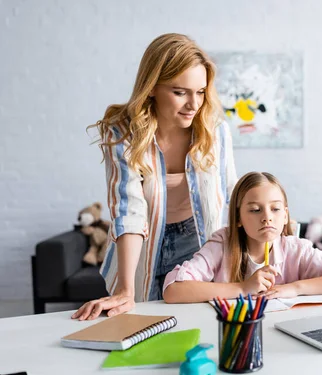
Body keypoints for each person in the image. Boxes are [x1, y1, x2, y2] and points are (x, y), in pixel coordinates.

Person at [72, 33, 237, 321]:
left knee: (196, 327)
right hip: (143, 246)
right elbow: (129, 209)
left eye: (200, 92)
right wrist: (125, 289)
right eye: (180, 91)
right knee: (142, 325)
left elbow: (232, 192)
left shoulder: (215, 129)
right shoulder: (122, 132)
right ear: (152, 88)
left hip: (198, 242)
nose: (193, 104)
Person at [162, 172, 322, 303]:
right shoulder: (221, 245)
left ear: (285, 216)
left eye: (275, 209)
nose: (267, 217)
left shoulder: (296, 249)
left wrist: (294, 288)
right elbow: (173, 290)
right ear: (238, 218)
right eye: (255, 210)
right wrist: (243, 288)